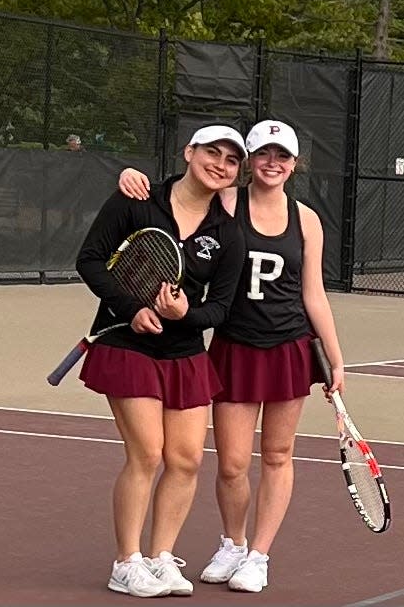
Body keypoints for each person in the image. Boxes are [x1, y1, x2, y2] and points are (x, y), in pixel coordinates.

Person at [118, 119, 345, 593]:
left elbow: (314, 294)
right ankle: (234, 543)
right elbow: (179, 198)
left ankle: (259, 556)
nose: (272, 163)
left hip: (288, 349)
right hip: (233, 346)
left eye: (282, 156)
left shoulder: (306, 219)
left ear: (294, 164)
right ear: (250, 161)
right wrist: (129, 178)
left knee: (279, 454)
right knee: (231, 463)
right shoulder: (226, 202)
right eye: (263, 154)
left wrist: (336, 358)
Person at [76, 124, 246, 598]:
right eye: (212, 153)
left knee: (187, 459)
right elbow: (90, 259)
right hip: (126, 344)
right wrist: (132, 310)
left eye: (231, 161)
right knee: (147, 452)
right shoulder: (138, 198)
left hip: (184, 352)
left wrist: (185, 313)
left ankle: (160, 558)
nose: (220, 165)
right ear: (189, 152)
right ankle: (126, 562)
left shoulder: (226, 232)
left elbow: (222, 308)